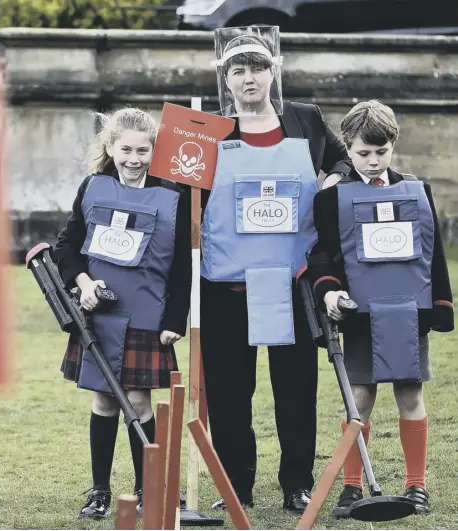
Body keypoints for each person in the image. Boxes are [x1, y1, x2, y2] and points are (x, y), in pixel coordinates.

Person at [200, 25, 353, 512]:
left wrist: (328, 184)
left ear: (274, 71)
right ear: (226, 80)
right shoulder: (207, 131)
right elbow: (172, 192)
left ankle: (297, 484)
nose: (249, 79)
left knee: (296, 391)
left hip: (292, 282)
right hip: (225, 286)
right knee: (228, 396)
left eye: (258, 68)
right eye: (238, 70)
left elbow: (344, 163)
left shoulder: (305, 121)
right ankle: (237, 488)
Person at [307, 100, 454, 518]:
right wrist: (330, 293)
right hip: (358, 314)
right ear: (348, 149)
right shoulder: (330, 199)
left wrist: (440, 306)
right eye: (362, 153)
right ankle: (353, 486)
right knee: (359, 396)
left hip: (408, 312)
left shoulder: (417, 189)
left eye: (381, 151)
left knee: (410, 393)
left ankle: (416, 487)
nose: (373, 161)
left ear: (393, 145)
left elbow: (433, 253)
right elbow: (321, 257)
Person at [52, 107, 192, 519]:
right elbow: (66, 248)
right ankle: (99, 491)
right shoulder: (92, 186)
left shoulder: (174, 196)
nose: (133, 159)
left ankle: (146, 488)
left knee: (139, 400)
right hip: (99, 314)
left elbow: (182, 266)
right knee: (104, 400)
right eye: (125, 149)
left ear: (154, 150)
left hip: (148, 314)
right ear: (110, 147)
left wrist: (174, 321)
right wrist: (84, 285)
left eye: (142, 151)